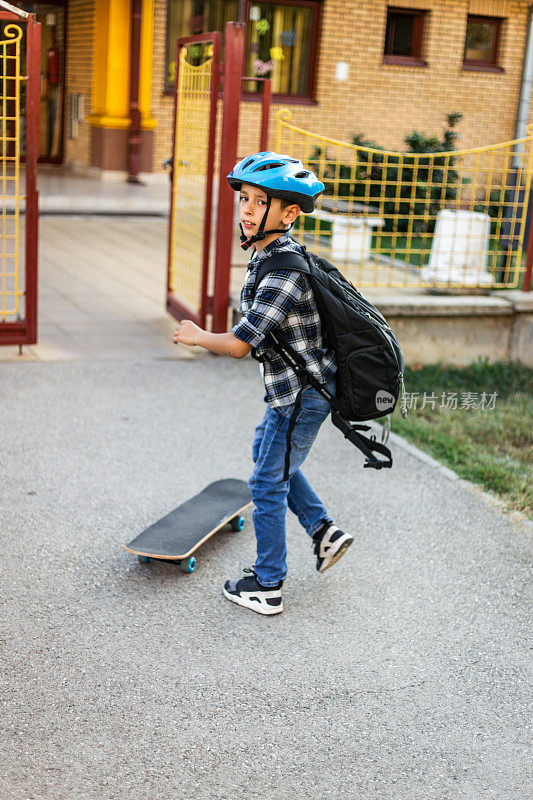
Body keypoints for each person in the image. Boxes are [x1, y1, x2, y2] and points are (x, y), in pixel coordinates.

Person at [173, 152, 353, 615]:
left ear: (290, 213)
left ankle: (267, 583)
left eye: (260, 202)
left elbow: (239, 344)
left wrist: (196, 336)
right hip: (291, 393)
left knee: (265, 483)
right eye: (246, 200)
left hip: (301, 397)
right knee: (265, 454)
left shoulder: (283, 272)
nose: (248, 210)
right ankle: (322, 530)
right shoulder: (266, 255)